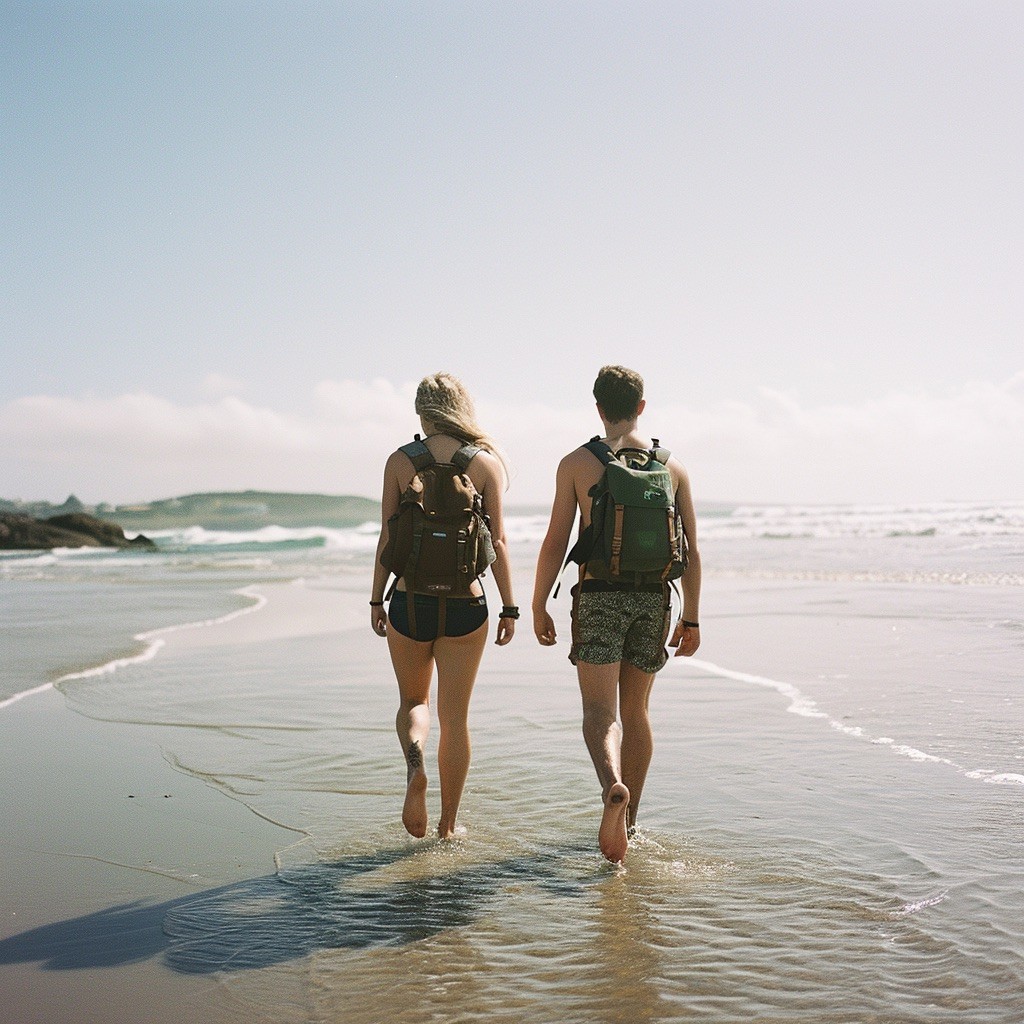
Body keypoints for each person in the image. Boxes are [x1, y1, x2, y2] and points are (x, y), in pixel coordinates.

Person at [532, 365, 702, 864]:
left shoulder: (577, 465)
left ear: (598, 407)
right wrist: (691, 617)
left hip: (599, 596)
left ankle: (612, 787)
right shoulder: (672, 468)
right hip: (654, 599)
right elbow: (691, 549)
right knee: (637, 713)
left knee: (599, 713)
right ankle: (630, 821)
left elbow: (555, 542)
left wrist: (539, 603)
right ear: (642, 407)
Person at [370, 372, 517, 840]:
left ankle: (415, 761)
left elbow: (387, 538)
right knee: (455, 718)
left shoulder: (399, 461)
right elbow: (499, 543)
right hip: (465, 606)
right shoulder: (485, 464)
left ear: (422, 412)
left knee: (415, 702)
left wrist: (376, 597)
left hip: (409, 601)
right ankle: (448, 827)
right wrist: (510, 607)